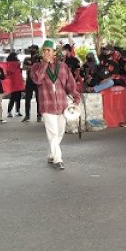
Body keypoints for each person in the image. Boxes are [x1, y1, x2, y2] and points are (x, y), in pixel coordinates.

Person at [31, 41, 81, 170]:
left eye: (49, 50)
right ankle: (58, 160)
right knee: (52, 133)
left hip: (62, 105)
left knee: (59, 133)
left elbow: (70, 83)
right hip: (47, 104)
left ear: (54, 52)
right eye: (44, 51)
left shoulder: (63, 66)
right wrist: (44, 64)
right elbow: (37, 79)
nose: (46, 53)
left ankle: (51, 154)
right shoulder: (36, 67)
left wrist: (76, 97)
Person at [22, 44, 42, 122]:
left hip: (37, 81)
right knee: (27, 99)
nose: (31, 51)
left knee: (38, 99)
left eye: (33, 49)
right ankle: (27, 115)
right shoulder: (27, 58)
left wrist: (31, 67)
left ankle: (39, 115)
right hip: (29, 80)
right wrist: (33, 67)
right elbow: (24, 67)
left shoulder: (39, 59)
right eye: (31, 49)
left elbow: (41, 68)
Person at [4, 52, 25, 117]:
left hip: (12, 83)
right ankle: (17, 111)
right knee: (18, 97)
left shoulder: (8, 64)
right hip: (18, 82)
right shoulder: (17, 63)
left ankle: (9, 111)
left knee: (12, 98)